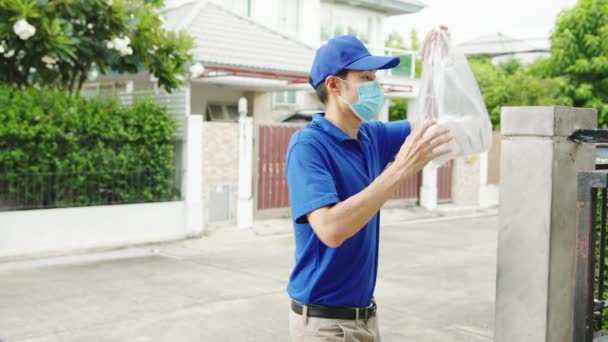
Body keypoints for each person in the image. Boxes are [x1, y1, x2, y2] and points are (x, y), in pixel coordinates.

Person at [285, 35, 452, 342]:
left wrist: (434, 67)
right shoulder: (308, 147)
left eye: (375, 79)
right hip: (325, 326)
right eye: (365, 78)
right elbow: (330, 229)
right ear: (334, 85)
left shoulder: (370, 135)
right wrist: (400, 169)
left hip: (365, 320)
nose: (376, 87)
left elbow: (431, 121)